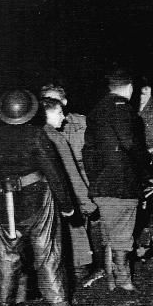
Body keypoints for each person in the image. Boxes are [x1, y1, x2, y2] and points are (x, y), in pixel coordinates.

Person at [0, 89, 75, 306]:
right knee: (47, 252)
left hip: (6, 204)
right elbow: (54, 172)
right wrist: (66, 205)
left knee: (6, 257)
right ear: (30, 112)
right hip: (38, 200)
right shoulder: (36, 136)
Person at [82, 69, 149, 291]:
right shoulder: (124, 110)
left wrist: (96, 178)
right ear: (129, 89)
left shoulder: (95, 112)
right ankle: (124, 283)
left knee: (109, 234)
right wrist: (144, 168)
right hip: (122, 183)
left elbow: (87, 153)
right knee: (122, 236)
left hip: (101, 184)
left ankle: (111, 282)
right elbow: (131, 145)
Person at [40, 97, 99, 285]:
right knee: (77, 239)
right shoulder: (57, 139)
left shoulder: (36, 135)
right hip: (62, 201)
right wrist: (87, 203)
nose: (63, 117)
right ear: (46, 113)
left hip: (40, 204)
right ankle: (82, 282)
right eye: (58, 112)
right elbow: (71, 175)